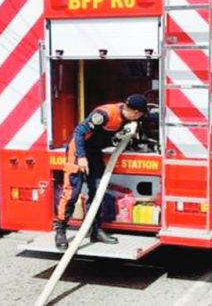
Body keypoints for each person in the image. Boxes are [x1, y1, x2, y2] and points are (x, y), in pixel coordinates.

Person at [54, 94, 148, 250]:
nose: (139, 118)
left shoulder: (129, 116)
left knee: (98, 190)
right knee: (72, 193)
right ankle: (61, 231)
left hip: (94, 152)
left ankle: (96, 230)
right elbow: (79, 132)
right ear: (134, 112)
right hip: (78, 151)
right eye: (139, 114)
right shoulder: (105, 114)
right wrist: (81, 157)